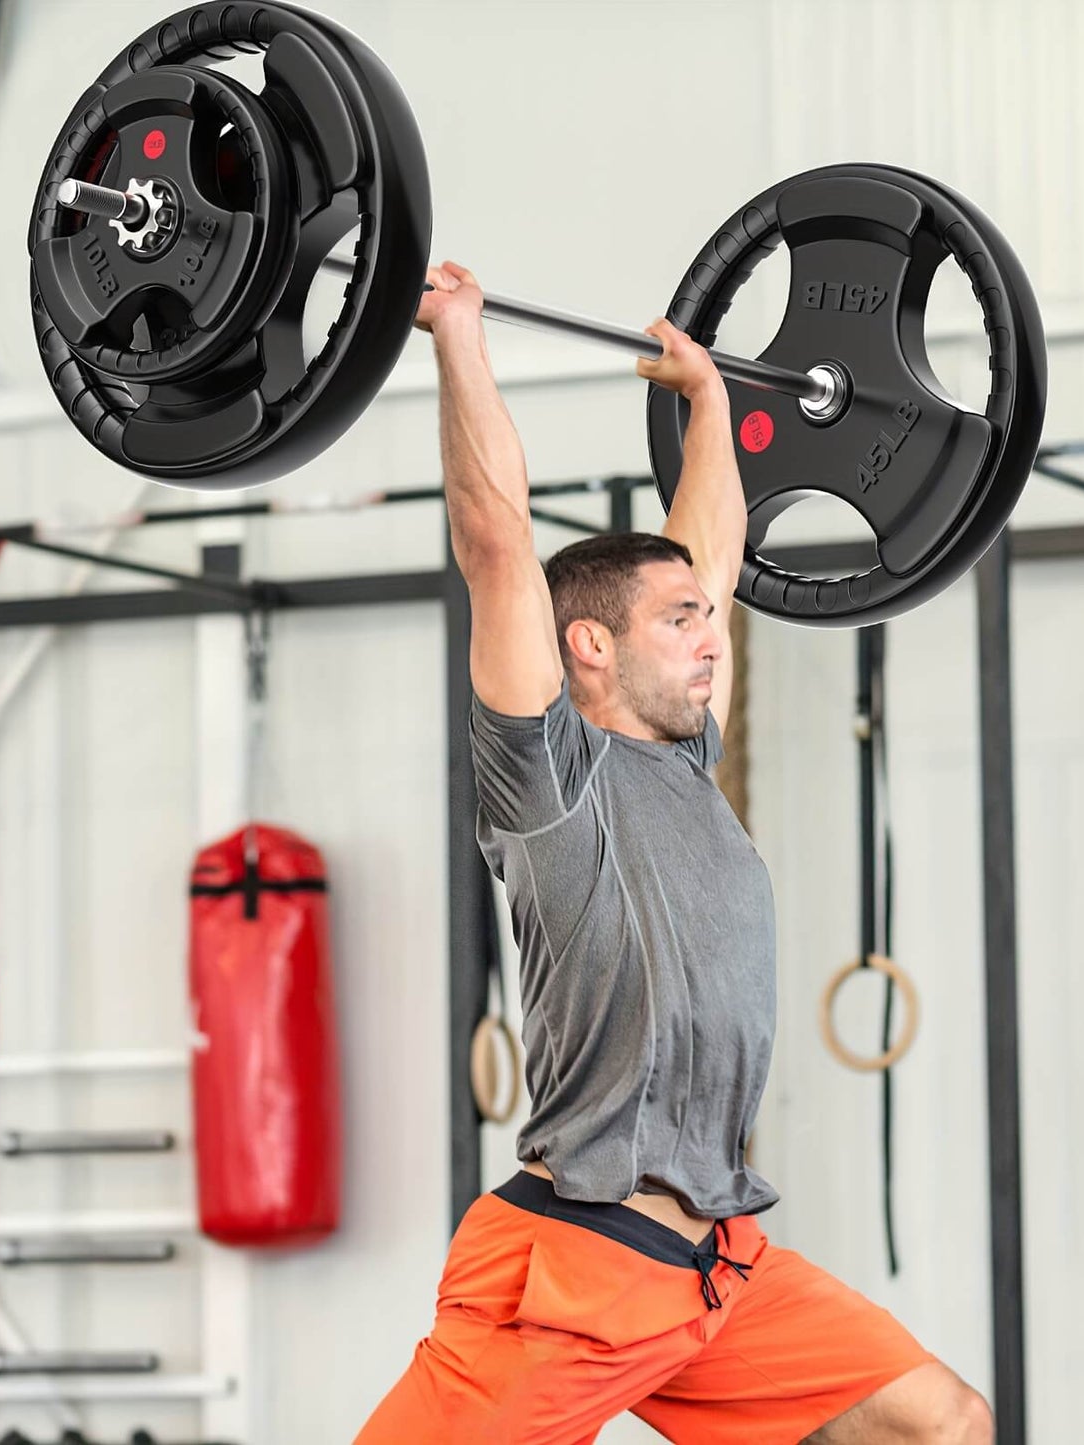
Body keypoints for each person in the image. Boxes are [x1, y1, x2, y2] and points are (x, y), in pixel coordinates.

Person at [355, 263, 992, 1444]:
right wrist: (455, 334)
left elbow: (709, 538)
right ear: (586, 646)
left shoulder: (686, 757)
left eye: (709, 619)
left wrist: (710, 404)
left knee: (941, 1421)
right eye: (680, 621)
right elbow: (497, 545)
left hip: (715, 1273)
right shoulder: (546, 778)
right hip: (574, 1267)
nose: (713, 637)